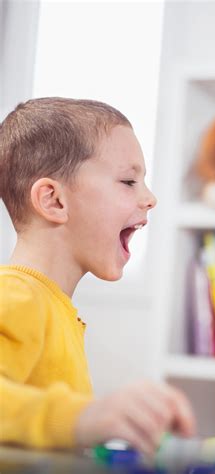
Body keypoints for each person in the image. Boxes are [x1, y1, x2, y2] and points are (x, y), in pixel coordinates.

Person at [0, 98, 196, 455]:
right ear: (53, 201)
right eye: (128, 181)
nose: (150, 198)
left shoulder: (52, 305)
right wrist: (86, 418)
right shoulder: (16, 296)